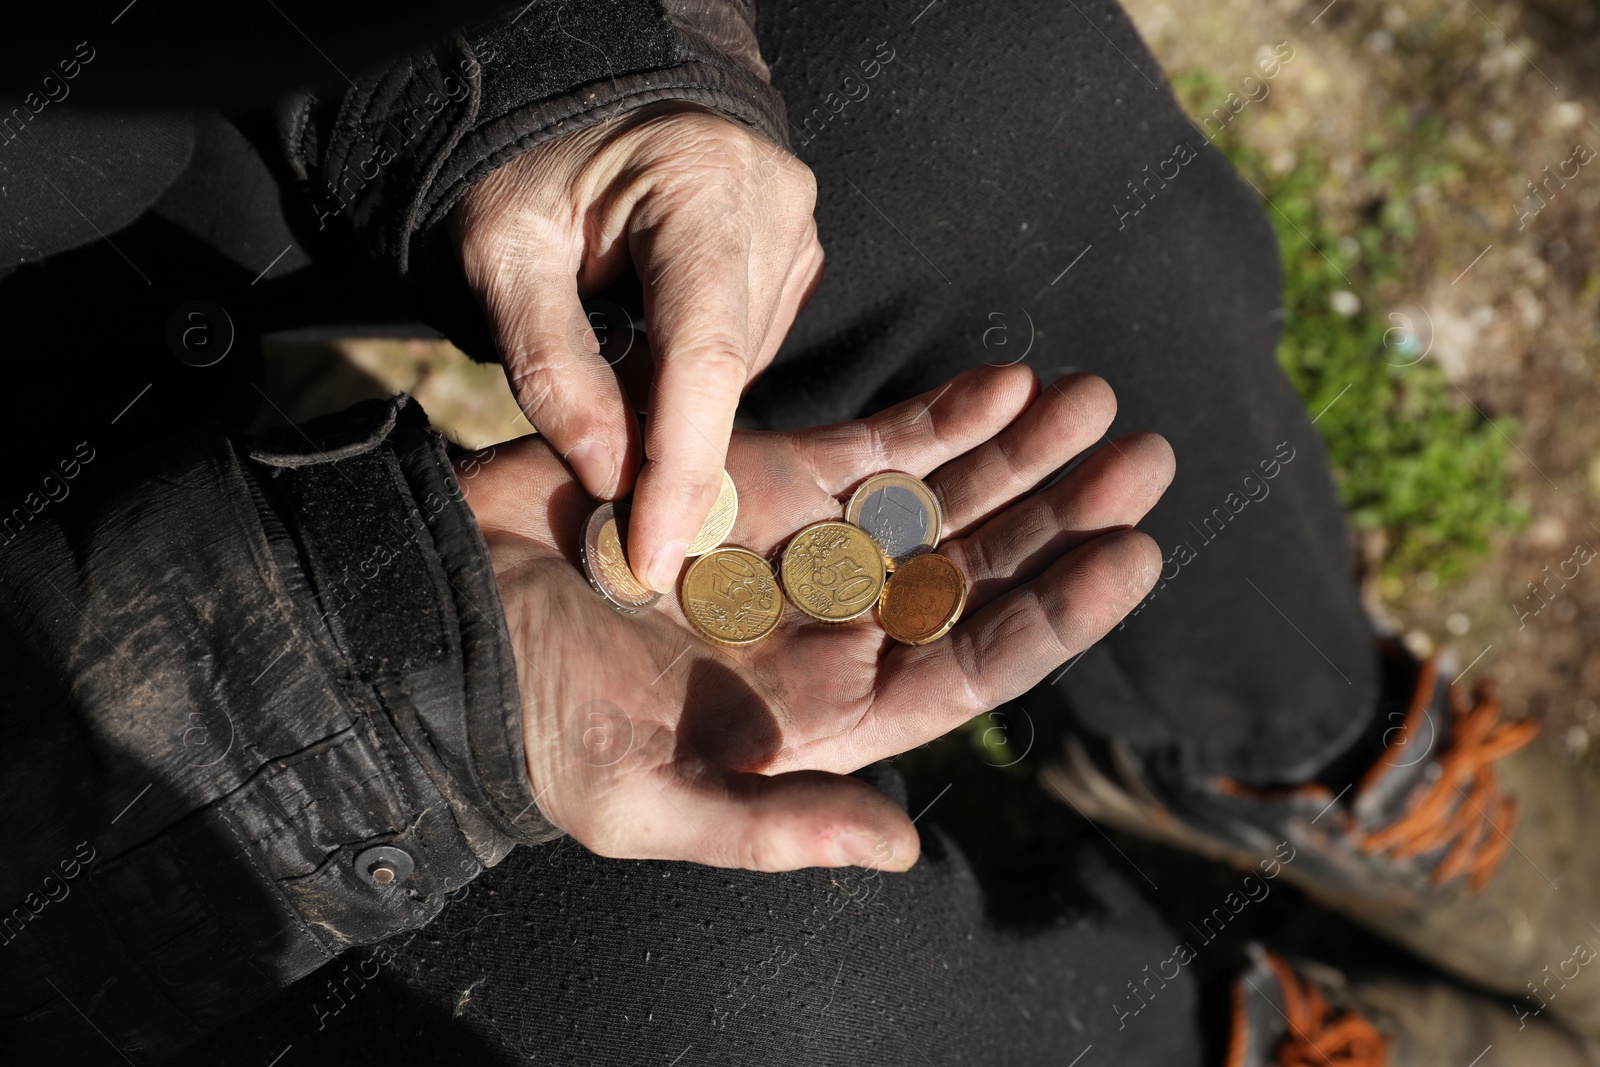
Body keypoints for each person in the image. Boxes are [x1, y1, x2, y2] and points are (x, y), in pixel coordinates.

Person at [2, 2, 1597, 1064]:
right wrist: (357, 706)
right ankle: (1207, 1037)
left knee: (987, 114)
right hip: (75, 774)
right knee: (762, 1000)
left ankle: (1323, 746)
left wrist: (576, 62)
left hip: (165, 99)